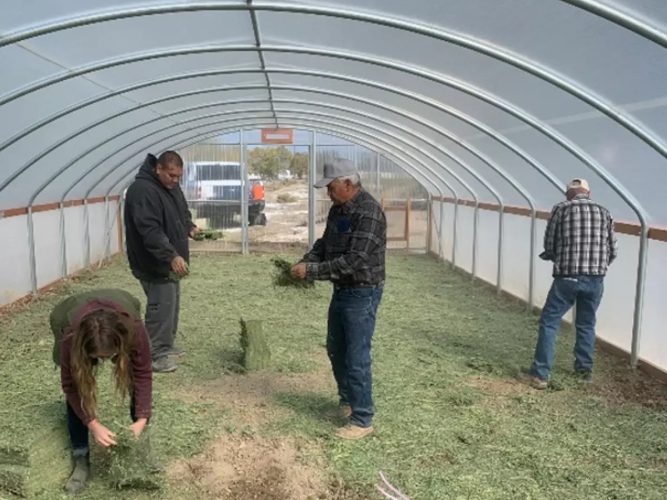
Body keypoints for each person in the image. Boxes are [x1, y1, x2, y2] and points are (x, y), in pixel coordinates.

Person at [290, 158, 386, 440]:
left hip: (362, 291)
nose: (328, 194)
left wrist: (311, 271)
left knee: (356, 356)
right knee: (336, 348)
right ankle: (347, 401)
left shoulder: (369, 213)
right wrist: (308, 259)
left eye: (331, 188)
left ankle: (362, 419)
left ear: (347, 183)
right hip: (342, 290)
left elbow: (354, 261)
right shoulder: (338, 209)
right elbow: (325, 243)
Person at [50, 289, 152, 494]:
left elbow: (143, 374)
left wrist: (142, 418)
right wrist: (93, 424)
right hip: (67, 318)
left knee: (133, 376)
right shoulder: (70, 337)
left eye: (109, 356)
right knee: (78, 385)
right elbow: (70, 386)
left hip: (122, 311)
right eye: (98, 356)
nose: (104, 361)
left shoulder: (133, 329)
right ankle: (81, 459)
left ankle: (140, 448)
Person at [529, 178, 618, 389]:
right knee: (586, 323)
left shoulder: (561, 209)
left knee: (550, 321)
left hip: (567, 277)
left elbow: (549, 242)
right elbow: (613, 249)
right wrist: (598, 267)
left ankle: (541, 374)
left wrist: (554, 256)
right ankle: (584, 371)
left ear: (568, 193)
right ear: (589, 192)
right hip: (596, 278)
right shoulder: (604, 212)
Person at [124, 151, 199, 373]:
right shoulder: (143, 191)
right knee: (160, 308)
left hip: (170, 261)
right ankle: (154, 355)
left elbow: (181, 213)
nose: (175, 181)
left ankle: (166, 345)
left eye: (178, 177)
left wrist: (190, 227)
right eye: (171, 175)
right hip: (153, 262)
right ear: (158, 169)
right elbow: (150, 230)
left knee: (171, 304)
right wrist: (170, 255)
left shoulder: (170, 188)